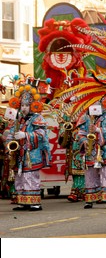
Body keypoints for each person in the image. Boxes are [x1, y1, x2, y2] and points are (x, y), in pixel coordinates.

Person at [6, 83, 51, 211]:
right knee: (20, 177)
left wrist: (25, 135)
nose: (24, 108)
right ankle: (23, 201)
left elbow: (42, 135)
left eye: (26, 105)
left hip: (32, 153)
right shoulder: (18, 119)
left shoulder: (38, 118)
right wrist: (9, 146)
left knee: (31, 177)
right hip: (19, 154)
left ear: (32, 106)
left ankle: (34, 202)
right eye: (22, 105)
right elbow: (10, 134)